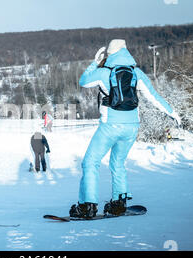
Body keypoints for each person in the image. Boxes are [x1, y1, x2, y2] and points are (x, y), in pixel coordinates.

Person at [69, 39, 181, 218]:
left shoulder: (104, 72)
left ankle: (87, 206)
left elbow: (83, 81)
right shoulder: (136, 72)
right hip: (132, 127)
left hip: (110, 126)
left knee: (90, 163)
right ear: (126, 52)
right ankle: (119, 203)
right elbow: (153, 96)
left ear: (109, 54)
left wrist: (94, 63)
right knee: (118, 163)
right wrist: (172, 112)